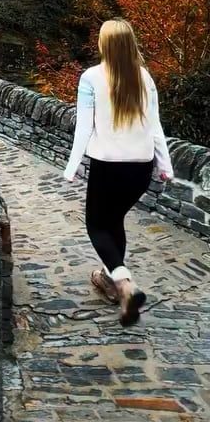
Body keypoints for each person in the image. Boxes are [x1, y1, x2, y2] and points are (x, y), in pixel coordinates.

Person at [63, 18, 174, 326]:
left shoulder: (91, 78)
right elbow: (155, 126)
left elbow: (84, 128)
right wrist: (165, 166)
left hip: (108, 167)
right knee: (114, 221)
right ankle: (112, 283)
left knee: (96, 226)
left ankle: (124, 283)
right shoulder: (144, 77)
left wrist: (71, 167)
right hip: (140, 169)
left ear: (104, 44)